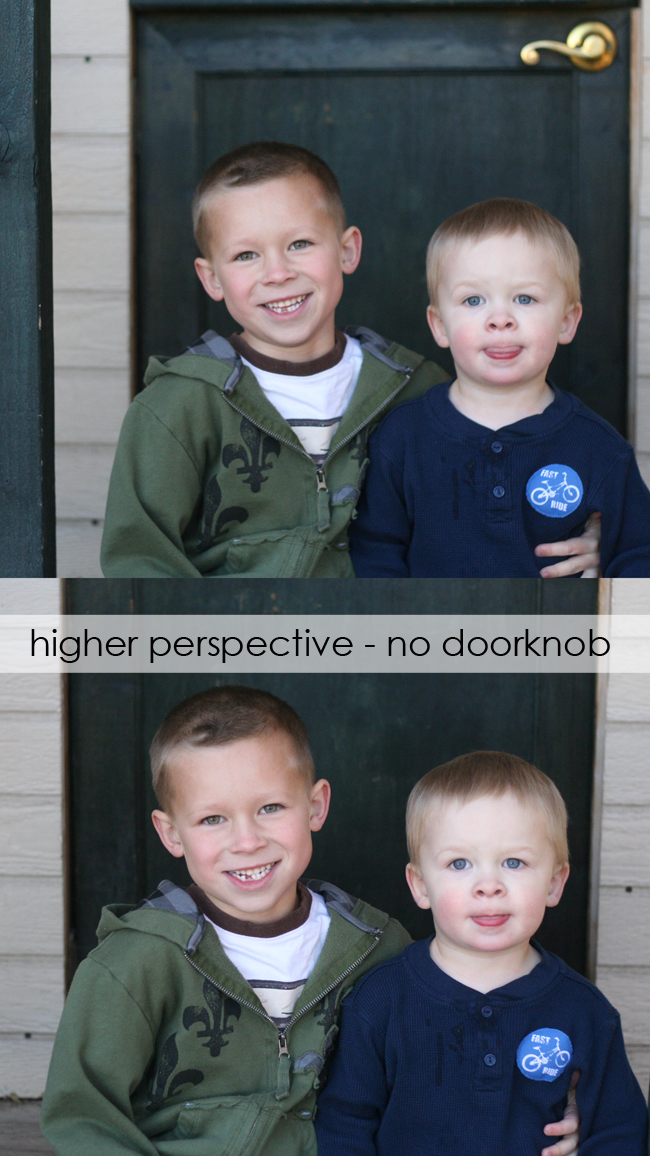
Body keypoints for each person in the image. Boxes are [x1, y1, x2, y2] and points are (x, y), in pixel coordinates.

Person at [41, 690, 581, 1155]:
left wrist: (550, 1103)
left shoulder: (375, 944)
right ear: (171, 833)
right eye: (212, 819)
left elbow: (454, 1046)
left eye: (270, 807)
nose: (246, 840)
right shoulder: (134, 963)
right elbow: (84, 1117)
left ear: (316, 805)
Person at [100, 145, 599, 577]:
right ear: (211, 279)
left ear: (347, 250)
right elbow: (140, 562)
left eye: (299, 244)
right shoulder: (176, 406)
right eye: (246, 255)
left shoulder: (415, 386)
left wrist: (595, 532)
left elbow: (512, 473)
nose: (277, 272)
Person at [314, 751, 649, 1155]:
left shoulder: (585, 1012)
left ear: (554, 883)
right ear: (420, 885)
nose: (488, 885)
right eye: (459, 864)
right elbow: (344, 1126)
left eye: (514, 862)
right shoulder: (381, 1000)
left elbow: (620, 1132)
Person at [349, 198, 650, 576]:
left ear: (567, 322)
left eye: (525, 298)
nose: (500, 320)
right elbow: (375, 555)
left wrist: (609, 566)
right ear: (439, 325)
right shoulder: (401, 439)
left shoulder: (600, 449)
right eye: (473, 300)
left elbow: (639, 556)